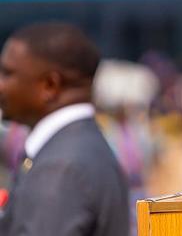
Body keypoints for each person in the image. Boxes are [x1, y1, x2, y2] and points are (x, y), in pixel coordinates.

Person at [0, 22, 129, 235]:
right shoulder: (82, 146)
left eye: (8, 74)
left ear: (50, 85)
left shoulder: (61, 168)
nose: (1, 85)